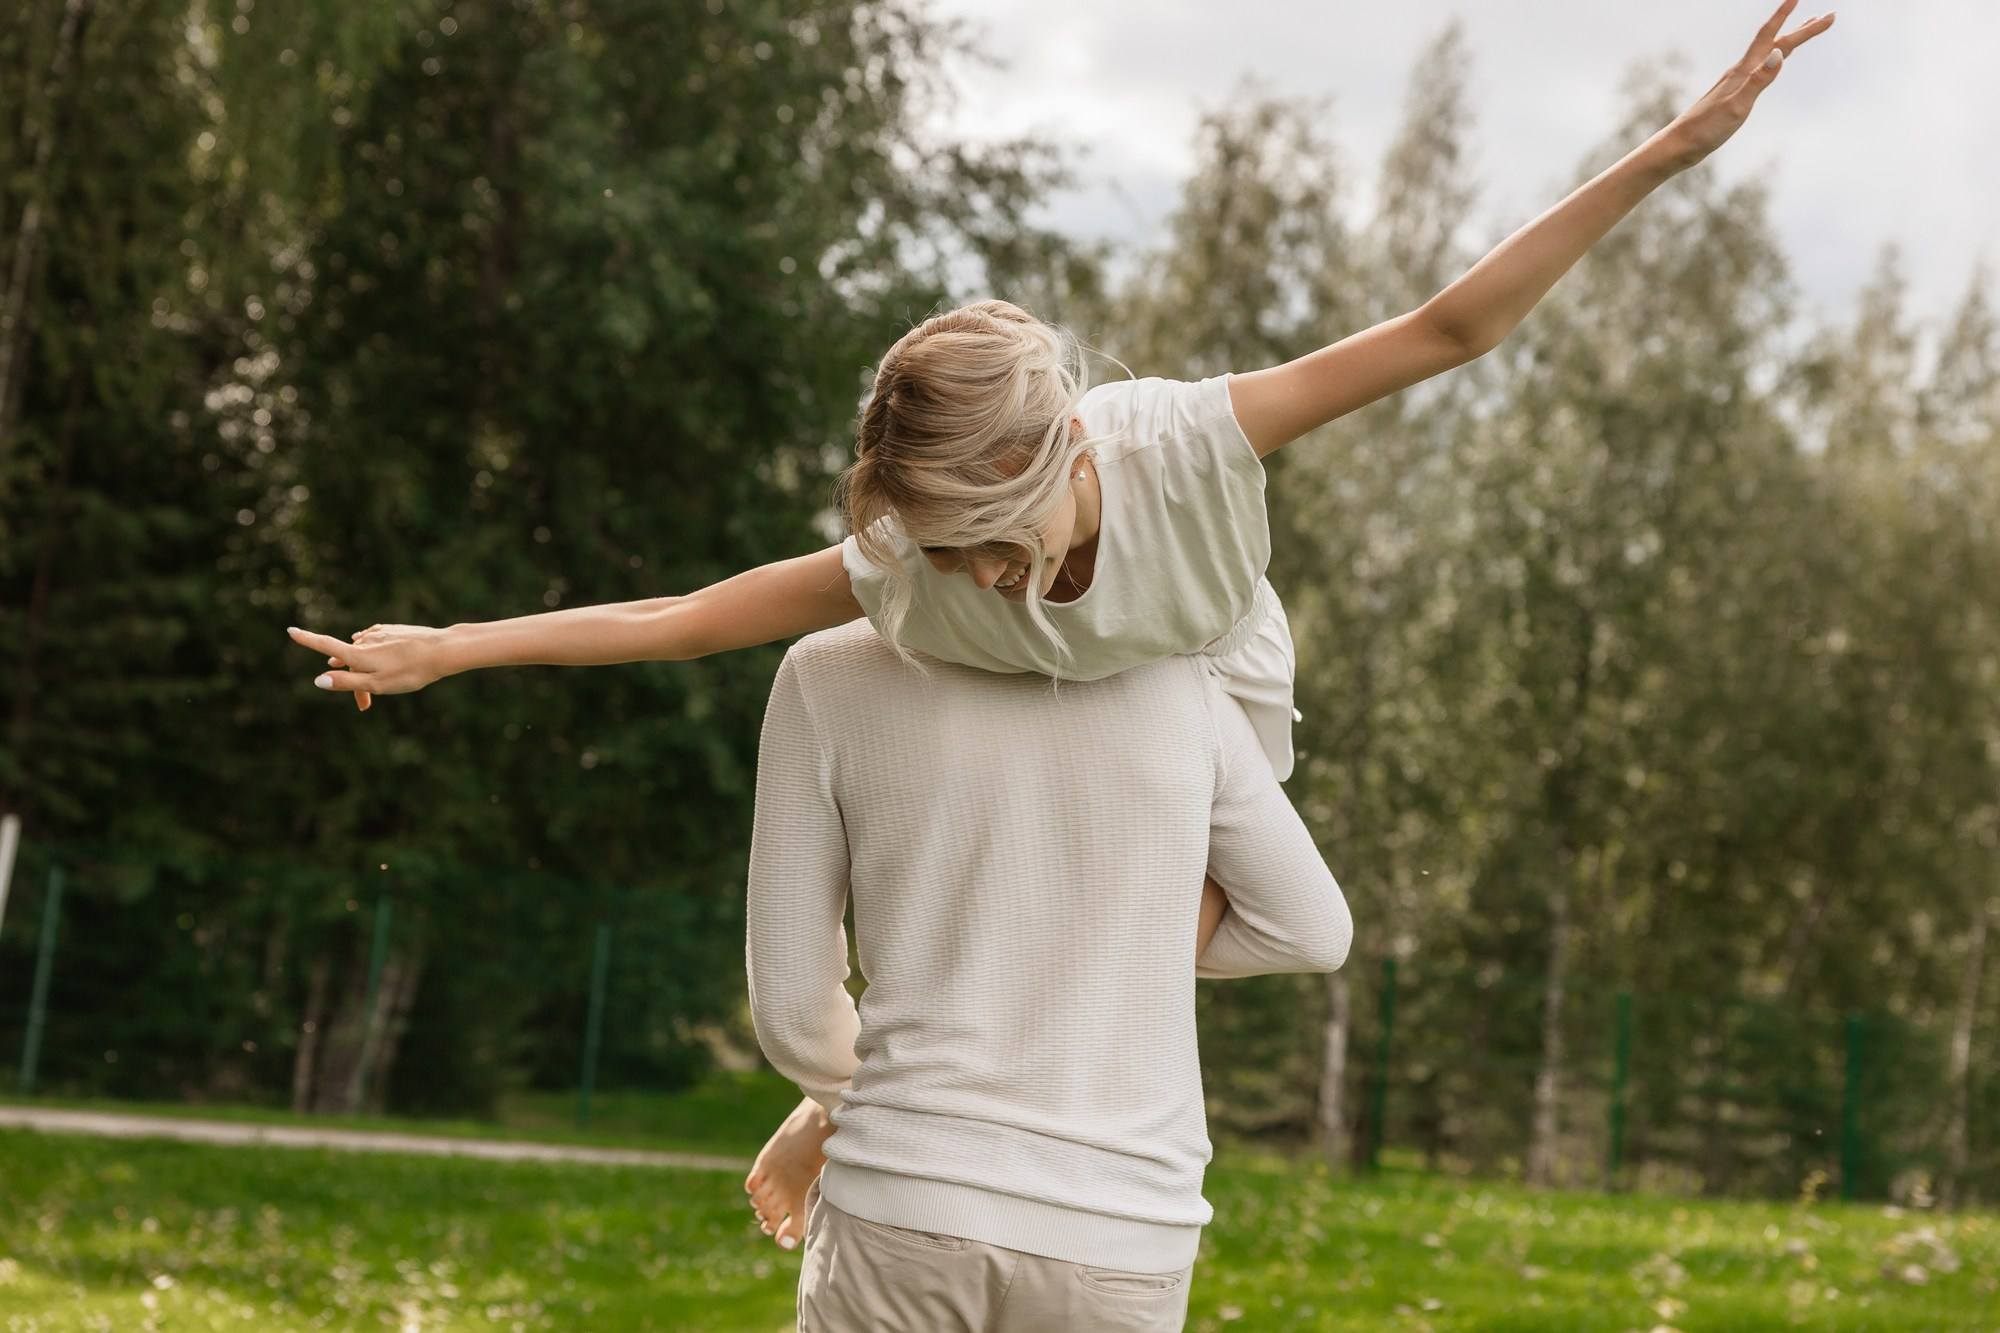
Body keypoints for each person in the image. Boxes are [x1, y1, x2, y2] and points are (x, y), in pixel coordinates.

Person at [284, 0, 1832, 1249]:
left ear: (1073, 462)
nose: (965, 576)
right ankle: (881, 1098)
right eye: (936, 550)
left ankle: (848, 1103)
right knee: (973, 874)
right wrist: (452, 647)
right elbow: (690, 617)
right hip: (1016, 720)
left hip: (1204, 678)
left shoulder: (1189, 443)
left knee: (1184, 921)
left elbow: (1451, 327)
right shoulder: (916, 561)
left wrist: (1672, 149)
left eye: (990, 545)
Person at [749, 618, 1350, 1329]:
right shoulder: (1183, 688)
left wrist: (848, 1102)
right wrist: (1123, 944)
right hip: (1124, 1224)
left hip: (901, 1203)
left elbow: (793, 1011)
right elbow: (1309, 929)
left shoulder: (827, 671)